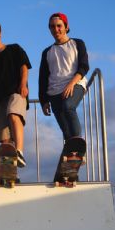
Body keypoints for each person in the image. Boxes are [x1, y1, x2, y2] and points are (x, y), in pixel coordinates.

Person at [0, 20, 31, 167]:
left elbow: (24, 67)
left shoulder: (14, 49)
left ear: (0, 33)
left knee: (13, 115)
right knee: (5, 140)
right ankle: (10, 171)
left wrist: (23, 85)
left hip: (16, 93)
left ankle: (19, 152)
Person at [38, 12, 89, 141]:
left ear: (66, 26)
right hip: (54, 90)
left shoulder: (77, 43)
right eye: (52, 26)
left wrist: (71, 84)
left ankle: (78, 145)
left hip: (75, 83)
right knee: (65, 129)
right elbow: (43, 78)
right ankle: (72, 155)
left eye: (59, 26)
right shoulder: (47, 52)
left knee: (68, 107)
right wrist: (43, 101)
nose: (56, 29)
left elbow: (84, 66)